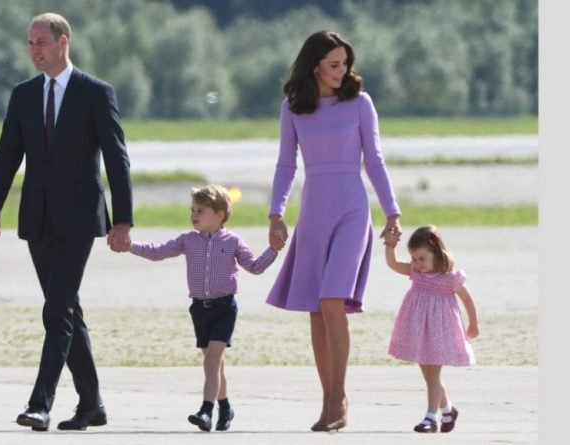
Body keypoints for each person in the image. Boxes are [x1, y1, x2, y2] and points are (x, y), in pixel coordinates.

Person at [0, 12, 133, 432]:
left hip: (81, 218)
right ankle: (92, 404)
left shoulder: (96, 93)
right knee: (66, 312)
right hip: (37, 217)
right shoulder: (24, 94)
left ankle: (40, 403)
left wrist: (123, 220)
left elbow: (117, 159)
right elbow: (7, 152)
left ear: (63, 42)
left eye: (41, 42)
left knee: (57, 309)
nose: (34, 50)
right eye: (30, 43)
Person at [266, 30, 402, 432]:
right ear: (315, 66)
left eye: (345, 63)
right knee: (315, 311)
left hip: (352, 209)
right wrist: (276, 214)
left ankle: (338, 397)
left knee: (331, 303)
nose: (343, 71)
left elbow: (374, 160)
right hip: (313, 210)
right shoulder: (293, 108)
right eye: (334, 64)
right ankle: (327, 400)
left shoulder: (360, 103)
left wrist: (392, 211)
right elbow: (285, 165)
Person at [119, 184, 278, 432]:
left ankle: (206, 411)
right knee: (214, 362)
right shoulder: (187, 240)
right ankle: (225, 406)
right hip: (199, 309)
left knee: (213, 360)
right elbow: (158, 252)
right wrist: (130, 246)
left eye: (200, 210)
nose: (193, 215)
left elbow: (255, 267)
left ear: (219, 215)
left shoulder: (234, 241)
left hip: (224, 308)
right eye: (192, 209)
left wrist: (274, 249)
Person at [383, 225, 479, 433]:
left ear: (436, 252)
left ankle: (430, 418)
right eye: (414, 259)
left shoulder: (450, 278)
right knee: (430, 376)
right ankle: (448, 410)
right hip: (419, 331)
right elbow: (392, 264)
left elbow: (467, 299)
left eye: (421, 259)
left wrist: (473, 323)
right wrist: (390, 246)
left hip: (439, 333)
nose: (417, 264)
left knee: (433, 376)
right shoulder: (415, 272)